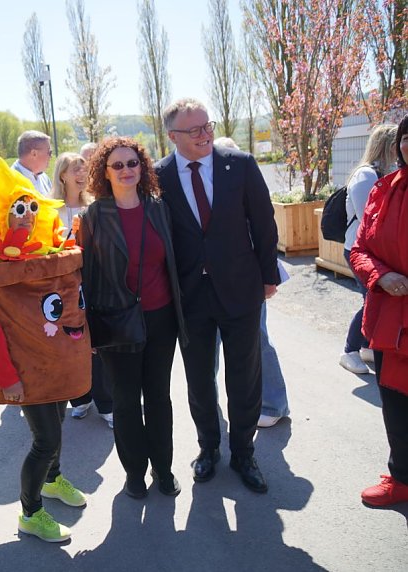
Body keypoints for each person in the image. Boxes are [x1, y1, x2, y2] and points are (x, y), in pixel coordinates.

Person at [0, 159, 90, 542]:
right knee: (44, 438)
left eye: (32, 207)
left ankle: (52, 478)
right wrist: (8, 378)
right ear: (2, 215)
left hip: (52, 360)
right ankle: (30, 514)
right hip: (24, 368)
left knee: (58, 424)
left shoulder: (41, 252)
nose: (28, 216)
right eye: (19, 209)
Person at [154, 98, 279, 494]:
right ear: (172, 136)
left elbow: (263, 222)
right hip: (190, 296)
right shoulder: (158, 176)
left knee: (245, 375)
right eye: (194, 130)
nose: (205, 134)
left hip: (241, 289)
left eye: (207, 126)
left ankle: (243, 451)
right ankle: (208, 448)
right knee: (199, 378)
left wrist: (268, 275)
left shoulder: (238, 164)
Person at [79, 137, 188, 498]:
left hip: (161, 318)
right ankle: (134, 473)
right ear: (104, 173)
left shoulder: (159, 208)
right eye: (118, 165)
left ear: (142, 168)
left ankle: (164, 469)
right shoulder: (94, 216)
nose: (127, 170)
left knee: (158, 397)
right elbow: (88, 276)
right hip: (117, 321)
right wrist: (91, 331)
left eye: (132, 163)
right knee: (126, 400)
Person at [349, 114, 408, 508]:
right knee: (396, 405)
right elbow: (359, 250)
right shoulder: (384, 189)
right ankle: (401, 477)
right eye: (407, 139)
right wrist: (381, 275)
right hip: (391, 319)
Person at [213, 136, 291, 428]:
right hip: (210, 287)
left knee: (258, 341)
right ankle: (213, 407)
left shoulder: (246, 191)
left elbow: (265, 236)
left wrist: (267, 280)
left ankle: (274, 403)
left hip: (246, 286)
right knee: (211, 350)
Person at [50, 152, 112, 426]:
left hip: (93, 282)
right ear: (62, 175)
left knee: (97, 343)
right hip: (64, 286)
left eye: (84, 170)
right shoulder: (51, 211)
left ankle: (107, 403)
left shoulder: (96, 206)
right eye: (75, 169)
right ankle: (81, 398)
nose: (81, 175)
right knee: (72, 342)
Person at [340, 124, 398, 375]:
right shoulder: (365, 175)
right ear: (388, 146)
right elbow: (372, 218)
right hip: (359, 250)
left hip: (373, 252)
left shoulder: (383, 172)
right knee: (370, 300)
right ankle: (349, 350)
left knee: (373, 299)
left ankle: (365, 346)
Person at [12, 130, 53, 196]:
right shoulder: (9, 180)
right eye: (49, 152)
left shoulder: (44, 178)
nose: (51, 157)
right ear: (34, 153)